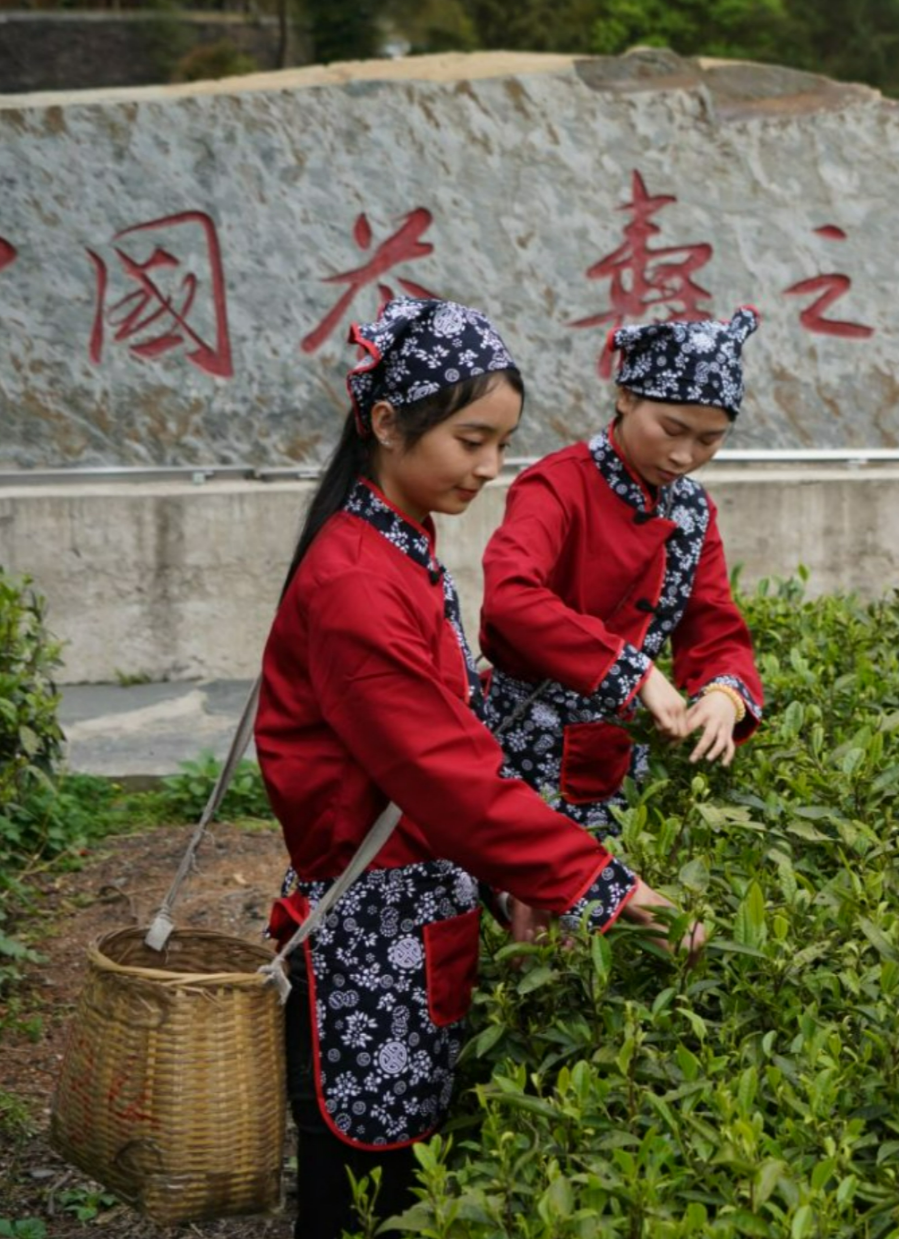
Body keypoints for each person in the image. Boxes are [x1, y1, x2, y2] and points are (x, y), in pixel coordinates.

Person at [255, 298, 702, 1237]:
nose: (491, 468)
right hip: (370, 949)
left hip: (411, 927)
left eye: (501, 441)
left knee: (406, 1183)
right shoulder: (355, 580)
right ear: (385, 423)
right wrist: (604, 888)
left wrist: (507, 885)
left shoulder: (395, 545)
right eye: (470, 440)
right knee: (363, 1203)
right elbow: (449, 777)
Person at [478, 307, 766, 838]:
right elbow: (510, 599)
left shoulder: (693, 511)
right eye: (672, 429)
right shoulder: (557, 485)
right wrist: (635, 671)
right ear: (625, 397)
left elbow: (712, 623)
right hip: (516, 743)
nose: (684, 455)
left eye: (709, 440)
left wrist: (724, 694)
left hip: (616, 755)